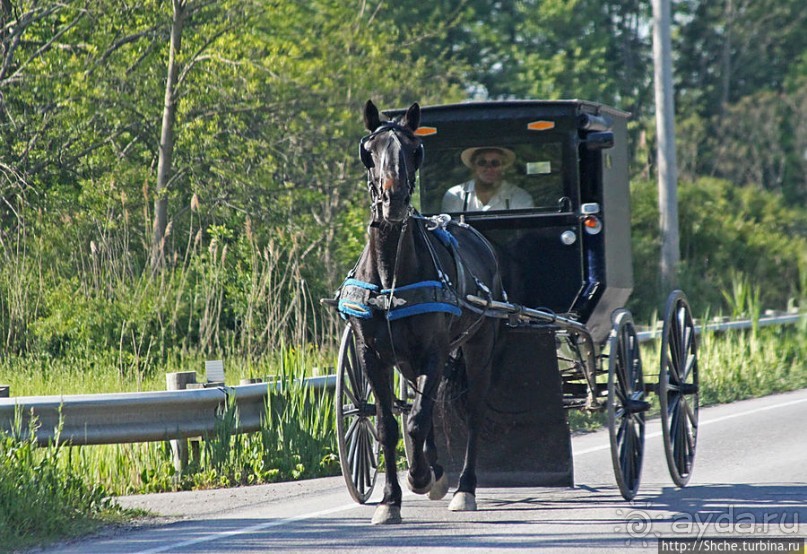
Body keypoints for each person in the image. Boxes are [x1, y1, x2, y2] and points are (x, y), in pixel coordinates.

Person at [441, 146, 534, 212]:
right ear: (473, 166)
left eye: (495, 163)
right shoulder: (456, 195)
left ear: (503, 167)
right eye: (482, 162)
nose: (489, 168)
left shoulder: (520, 197)